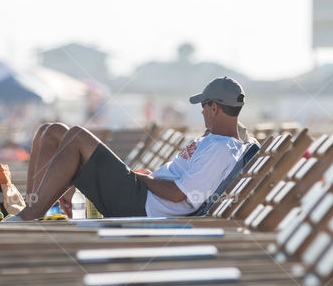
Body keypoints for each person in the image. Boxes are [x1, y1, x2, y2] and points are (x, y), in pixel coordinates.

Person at [13, 77, 247, 220]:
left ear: (214, 108)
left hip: (140, 205)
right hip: (138, 195)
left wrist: (139, 177)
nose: (202, 111)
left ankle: (29, 216)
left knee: (76, 136)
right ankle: (32, 210)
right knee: (51, 131)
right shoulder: (216, 141)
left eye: (204, 106)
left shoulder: (221, 150)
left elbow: (178, 194)